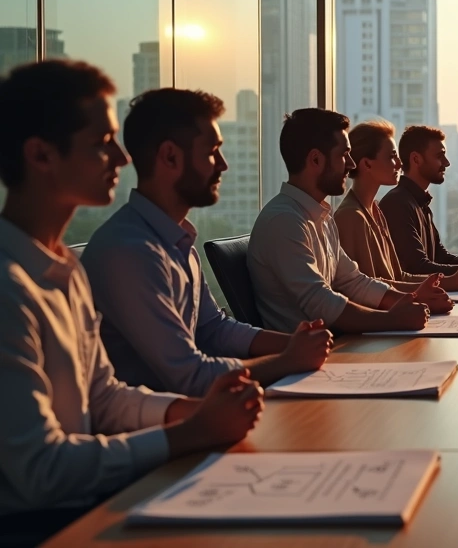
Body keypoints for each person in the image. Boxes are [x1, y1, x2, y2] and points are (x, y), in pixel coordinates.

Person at [0, 60, 262, 542]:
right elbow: (42, 471)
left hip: (86, 501)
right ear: (41, 155)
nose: (121, 159)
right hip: (41, 527)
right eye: (102, 144)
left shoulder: (62, 270)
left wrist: (189, 414)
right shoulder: (9, 287)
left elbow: (102, 398)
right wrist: (191, 432)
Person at [82, 88, 332, 397]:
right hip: (166, 427)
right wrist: (287, 359)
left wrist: (294, 342)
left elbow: (213, 329)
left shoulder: (176, 238)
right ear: (170, 156)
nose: (223, 165)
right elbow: (189, 375)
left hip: (198, 416)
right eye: (212, 151)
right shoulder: (129, 251)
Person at [248, 109, 452, 334]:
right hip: (310, 359)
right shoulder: (284, 221)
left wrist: (410, 300)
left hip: (334, 347)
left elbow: (352, 282)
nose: (351, 164)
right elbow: (322, 303)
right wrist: (393, 319)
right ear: (315, 159)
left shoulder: (320, 217)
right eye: (344, 154)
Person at [335, 120, 458, 291]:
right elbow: (368, 289)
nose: (399, 164)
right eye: (392, 156)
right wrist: (454, 281)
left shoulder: (375, 212)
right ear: (367, 164)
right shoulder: (352, 216)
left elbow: (399, 277)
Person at [380, 124, 458, 280]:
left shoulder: (418, 202)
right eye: (439, 156)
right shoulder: (397, 204)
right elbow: (418, 267)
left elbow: (440, 257)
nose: (446, 163)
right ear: (416, 159)